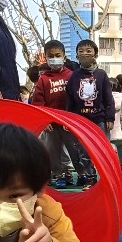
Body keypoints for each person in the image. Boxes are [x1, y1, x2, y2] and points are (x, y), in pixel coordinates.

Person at [32, 39, 84, 188]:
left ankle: (82, 174)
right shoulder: (43, 79)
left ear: (64, 56)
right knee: (53, 152)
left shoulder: (72, 76)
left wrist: (75, 119)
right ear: (46, 58)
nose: (54, 58)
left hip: (69, 123)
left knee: (75, 150)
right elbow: (38, 103)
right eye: (51, 56)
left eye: (57, 55)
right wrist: (44, 121)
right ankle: (59, 175)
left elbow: (77, 99)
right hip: (51, 124)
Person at [67, 40, 116, 181]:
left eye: (88, 51)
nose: (85, 54)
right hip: (81, 120)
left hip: (100, 119)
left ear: (95, 54)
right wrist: (69, 119)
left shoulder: (101, 74)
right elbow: (70, 98)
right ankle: (90, 177)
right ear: (77, 55)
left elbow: (108, 98)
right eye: (81, 51)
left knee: (102, 149)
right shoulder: (75, 76)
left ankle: (107, 178)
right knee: (84, 149)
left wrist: (110, 118)